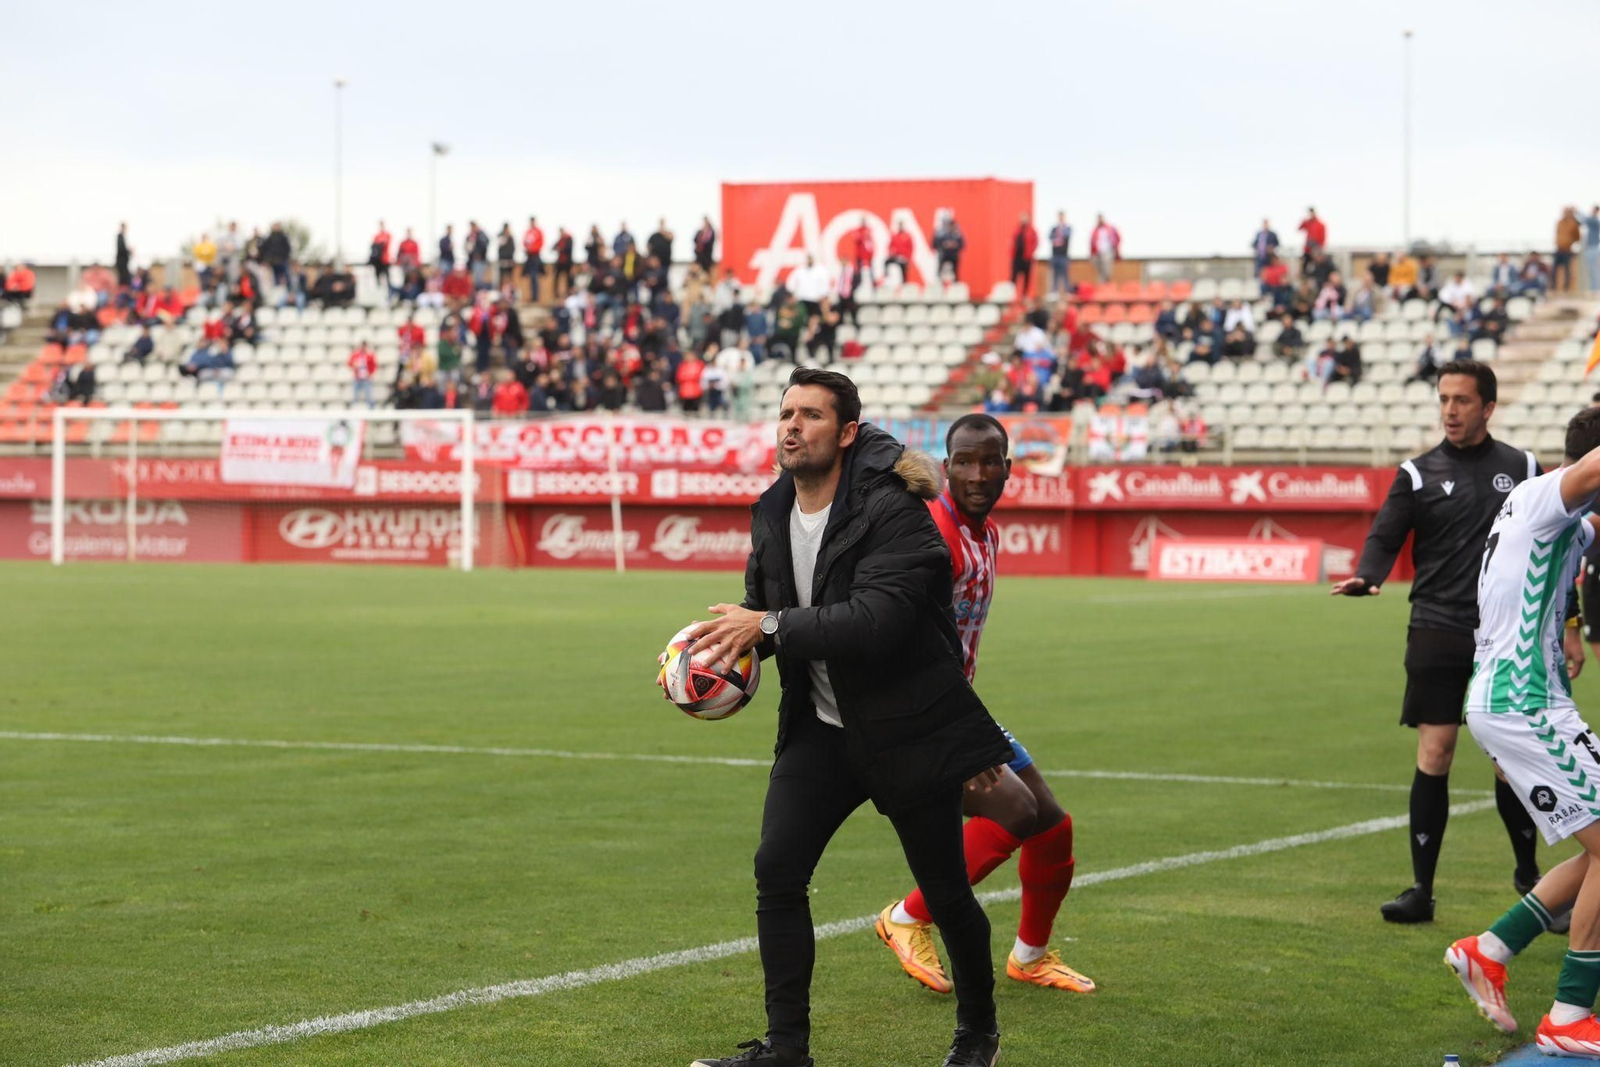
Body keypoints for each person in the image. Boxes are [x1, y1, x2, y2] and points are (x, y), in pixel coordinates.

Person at [684, 369, 1012, 1067]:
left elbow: (877, 622)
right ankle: (787, 1048)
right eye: (786, 414)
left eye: (810, 414)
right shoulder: (771, 509)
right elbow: (763, 610)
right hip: (824, 729)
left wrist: (767, 622)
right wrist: (717, 661)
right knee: (776, 868)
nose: (792, 426)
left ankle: (977, 1034)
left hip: (907, 729)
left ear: (848, 431)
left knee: (948, 893)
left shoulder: (895, 511)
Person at [1332, 360, 1560, 923]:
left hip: (1505, 632)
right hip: (1436, 626)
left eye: (1461, 400)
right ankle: (1421, 892)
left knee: (1510, 762)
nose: (1450, 411)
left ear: (1487, 407)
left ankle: (1530, 878)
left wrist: (1569, 622)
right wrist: (1369, 574)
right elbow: (1387, 533)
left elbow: (1553, 544)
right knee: (1436, 753)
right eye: (1444, 400)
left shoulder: (1523, 466)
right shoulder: (1417, 472)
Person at [875, 415, 1092, 999]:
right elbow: (904, 641)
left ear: (1007, 469)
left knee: (1052, 827)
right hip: (921, 711)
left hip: (959, 704)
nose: (977, 474)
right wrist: (956, 734)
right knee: (1015, 814)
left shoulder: (985, 533)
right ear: (945, 468)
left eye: (989, 461)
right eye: (964, 462)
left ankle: (1030, 957)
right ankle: (907, 916)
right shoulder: (933, 538)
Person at [1443, 407, 1600, 1053]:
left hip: (1522, 698)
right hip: (1522, 701)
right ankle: (1567, 1015)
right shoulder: (1545, 496)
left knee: (1597, 846)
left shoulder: (1556, 516)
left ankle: (1491, 947)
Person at [1009, 213, 1037, 299]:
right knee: (1013, 277)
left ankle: (1024, 295)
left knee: (1026, 278)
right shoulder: (1017, 230)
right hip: (1017, 258)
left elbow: (1035, 243)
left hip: (1026, 258)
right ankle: (1011, 295)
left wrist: (1030, 253)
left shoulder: (1031, 231)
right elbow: (1013, 241)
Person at [1558, 207, 1583, 294]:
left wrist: (1569, 242)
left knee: (1568, 270)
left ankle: (1567, 288)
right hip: (1559, 249)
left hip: (1568, 250)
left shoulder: (1573, 223)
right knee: (1555, 270)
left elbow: (1578, 237)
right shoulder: (1560, 222)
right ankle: (1555, 289)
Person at [1088, 214, 1120, 283]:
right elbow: (1091, 242)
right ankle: (1102, 281)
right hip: (1097, 252)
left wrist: (1115, 248)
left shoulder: (1110, 228)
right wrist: (1091, 253)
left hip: (1108, 251)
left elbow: (1118, 238)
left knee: (1106, 266)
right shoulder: (1095, 230)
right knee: (1098, 267)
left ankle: (1106, 281)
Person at [935, 213, 966, 284]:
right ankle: (939, 284)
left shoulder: (957, 235)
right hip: (944, 256)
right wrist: (944, 245)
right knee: (940, 273)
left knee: (955, 273)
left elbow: (962, 245)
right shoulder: (942, 234)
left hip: (954, 256)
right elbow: (936, 244)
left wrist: (955, 245)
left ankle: (955, 285)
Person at [1047, 212, 1072, 296]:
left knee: (1065, 275)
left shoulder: (1067, 228)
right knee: (1055, 275)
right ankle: (1054, 292)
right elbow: (1050, 237)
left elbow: (1067, 235)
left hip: (1064, 255)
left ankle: (1067, 291)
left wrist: (1061, 231)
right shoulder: (1054, 229)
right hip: (1055, 255)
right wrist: (1057, 233)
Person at [349, 340, 378, 408]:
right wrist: (354, 364)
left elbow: (374, 365)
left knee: (369, 394)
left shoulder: (369, 355)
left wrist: (370, 373)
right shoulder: (356, 355)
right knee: (355, 395)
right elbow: (350, 363)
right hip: (357, 378)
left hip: (366, 378)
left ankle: (371, 408)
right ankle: (354, 408)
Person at [1298, 207, 1327, 272]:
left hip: (1316, 248)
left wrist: (1320, 248)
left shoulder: (1321, 224)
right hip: (1308, 249)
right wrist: (1304, 219)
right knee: (1304, 265)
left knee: (1317, 265)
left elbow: (1323, 237)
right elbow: (1299, 228)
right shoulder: (1308, 223)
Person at [886, 222, 914, 289]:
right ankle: (887, 276)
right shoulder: (895, 236)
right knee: (886, 262)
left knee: (903, 267)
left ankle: (904, 283)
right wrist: (891, 253)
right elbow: (890, 246)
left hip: (904, 258)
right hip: (896, 256)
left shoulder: (907, 236)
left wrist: (908, 258)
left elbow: (910, 248)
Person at [115, 222, 133, 287]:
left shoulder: (123, 237)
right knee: (123, 279)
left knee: (125, 279)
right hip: (121, 262)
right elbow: (121, 249)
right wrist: (129, 250)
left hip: (124, 262)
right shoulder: (120, 237)